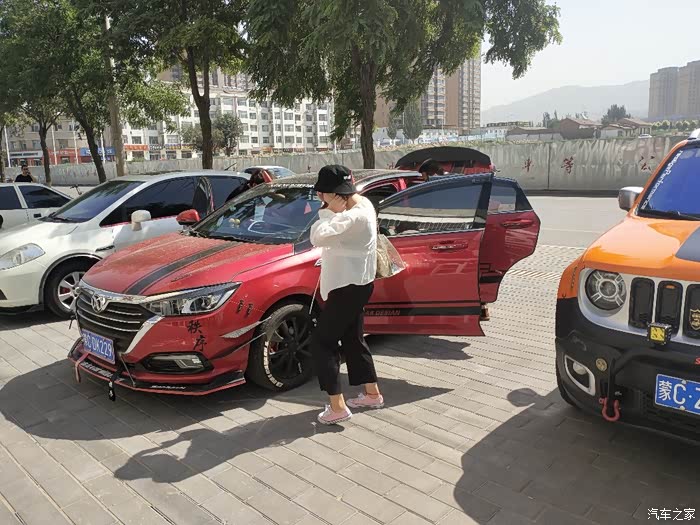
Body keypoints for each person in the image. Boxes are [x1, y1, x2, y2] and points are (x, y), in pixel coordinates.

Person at [309, 164, 383, 425]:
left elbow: (317, 236)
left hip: (346, 288)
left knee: (323, 342)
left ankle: (337, 407)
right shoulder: (364, 204)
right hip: (358, 284)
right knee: (353, 339)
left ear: (333, 194)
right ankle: (372, 394)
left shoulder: (351, 217)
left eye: (322, 193)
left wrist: (328, 211)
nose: (319, 197)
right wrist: (334, 208)